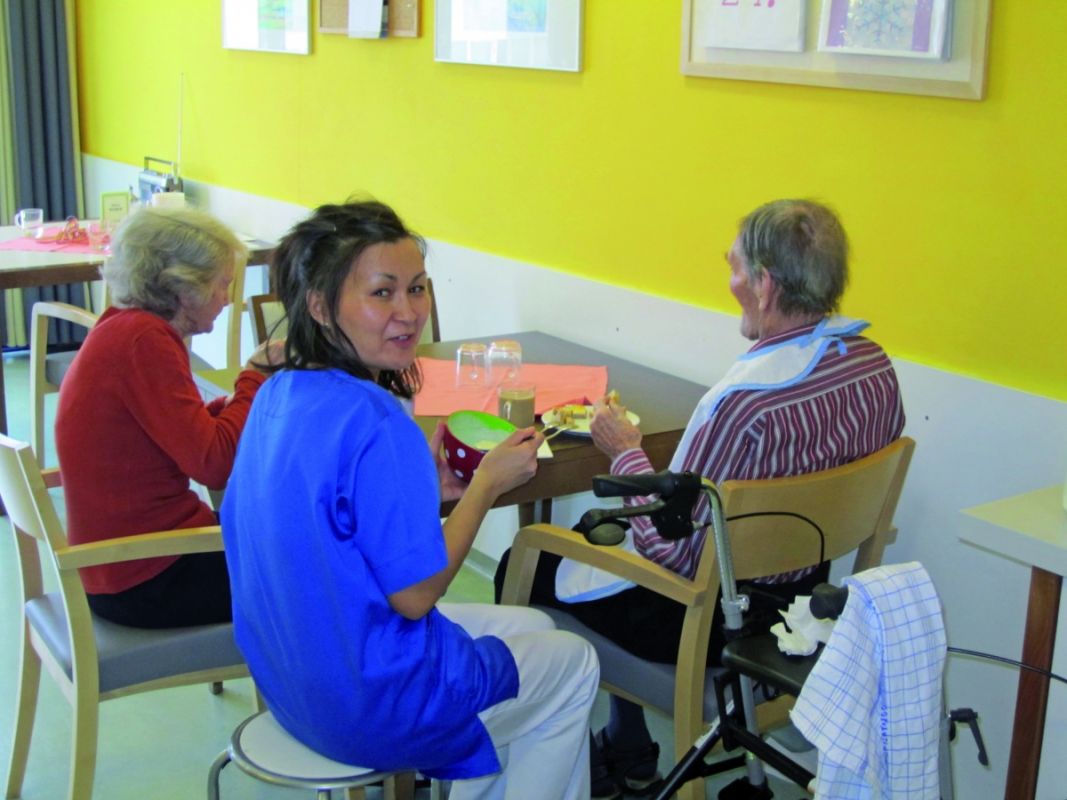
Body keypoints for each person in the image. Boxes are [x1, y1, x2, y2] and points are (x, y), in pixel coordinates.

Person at [493, 198, 906, 798]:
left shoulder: (742, 407)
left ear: (764, 284)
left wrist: (625, 451)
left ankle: (550, 761)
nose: (730, 281)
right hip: (803, 601)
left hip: (714, 619)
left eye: (734, 267)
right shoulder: (872, 367)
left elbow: (672, 553)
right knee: (599, 531)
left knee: (523, 561)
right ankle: (628, 746)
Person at [220, 200, 599, 799]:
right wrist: (484, 486)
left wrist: (424, 491)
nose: (409, 312)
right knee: (575, 663)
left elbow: (333, 524)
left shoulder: (275, 394)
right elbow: (417, 596)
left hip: (294, 683)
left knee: (532, 624)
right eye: (382, 293)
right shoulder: (378, 420)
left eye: (417, 288)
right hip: (371, 707)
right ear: (319, 306)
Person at [55, 206, 279, 628]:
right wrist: (255, 376)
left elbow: (168, 430)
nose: (227, 298)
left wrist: (230, 405)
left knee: (291, 537)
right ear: (184, 287)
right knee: (320, 565)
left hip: (118, 565)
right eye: (222, 284)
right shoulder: (145, 341)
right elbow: (213, 465)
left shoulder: (122, 327)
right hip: (148, 575)